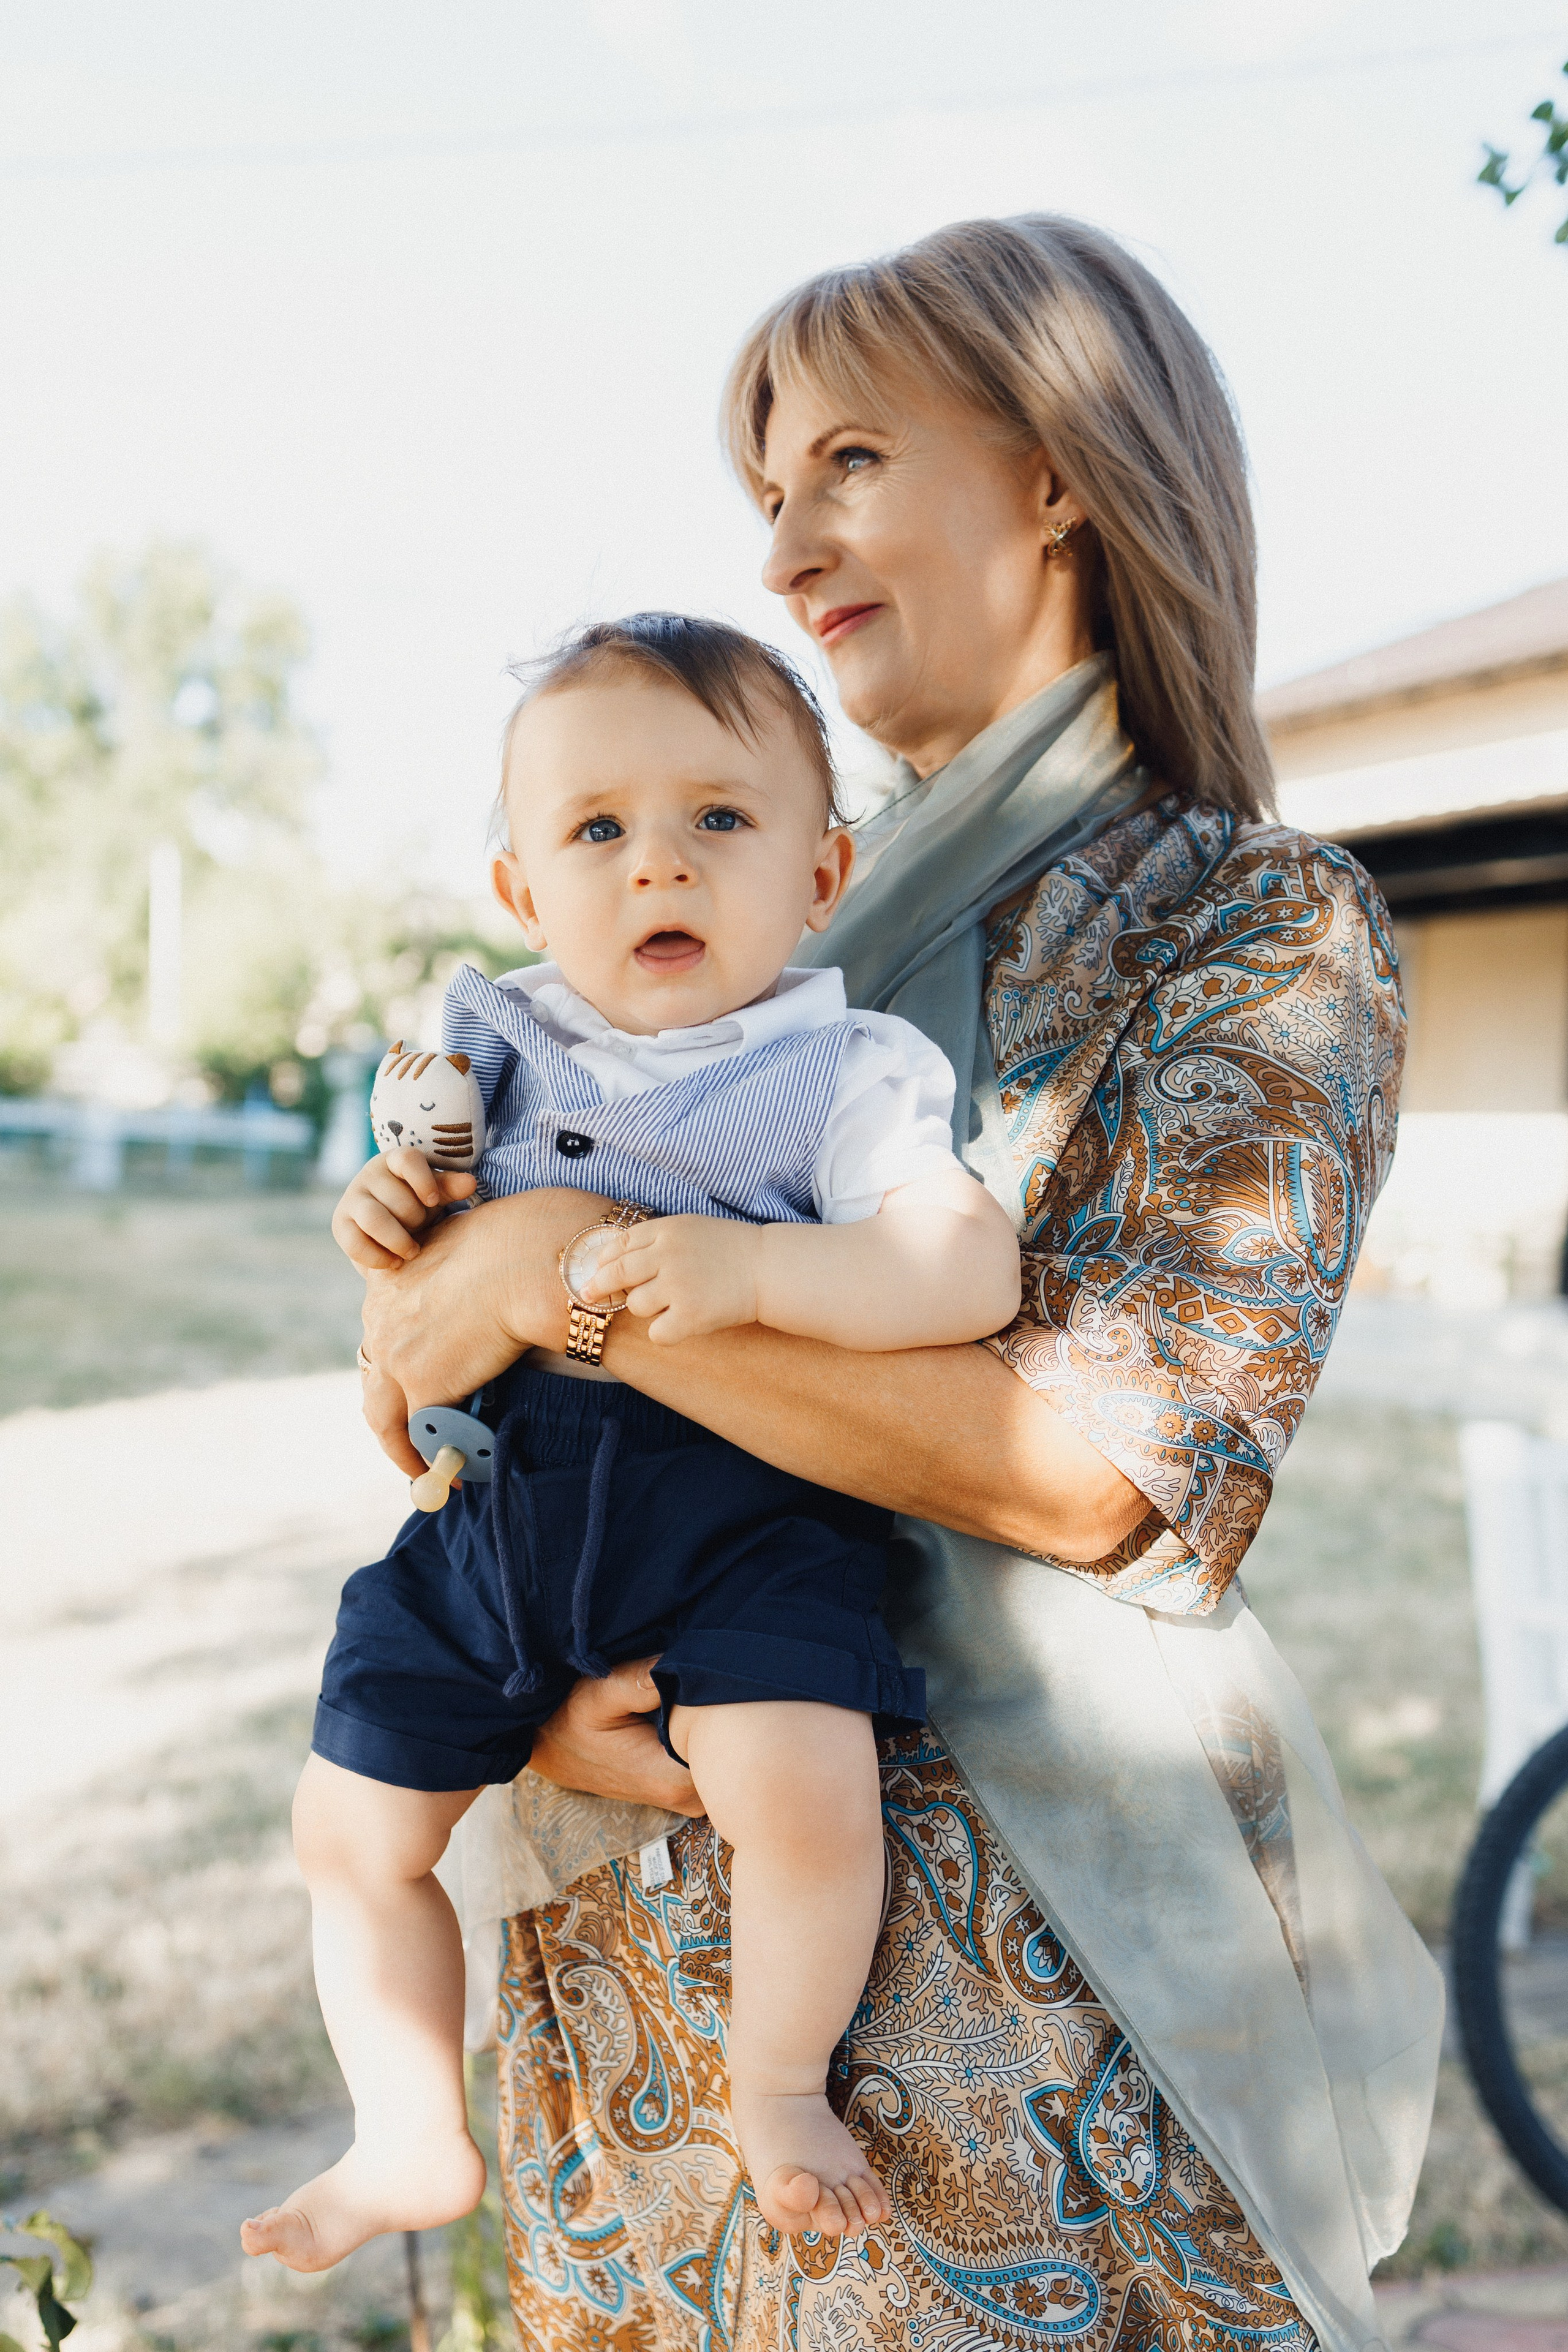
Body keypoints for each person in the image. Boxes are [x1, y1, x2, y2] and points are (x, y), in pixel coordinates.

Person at [355, 216, 1444, 2352]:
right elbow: (436, 1374)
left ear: (1061, 468)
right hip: (642, 1976)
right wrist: (536, 1674)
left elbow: (1102, 1478)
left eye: (845, 463)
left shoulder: (1251, 926)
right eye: (766, 494)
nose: (782, 554)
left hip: (1011, 2030)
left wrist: (558, 1265)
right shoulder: (729, 911)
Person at [239, 613, 1021, 2272]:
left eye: (720, 821)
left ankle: (783, 2086)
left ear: (824, 870)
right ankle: (403, 2131)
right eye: (598, 830)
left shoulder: (847, 1070)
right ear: (521, 890)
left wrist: (762, 1269)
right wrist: (388, 1223)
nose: (658, 864)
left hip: (745, 1520)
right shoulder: (487, 1054)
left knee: (800, 1789)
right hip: (504, 1519)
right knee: (351, 1826)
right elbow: (426, 1281)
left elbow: (965, 1268)